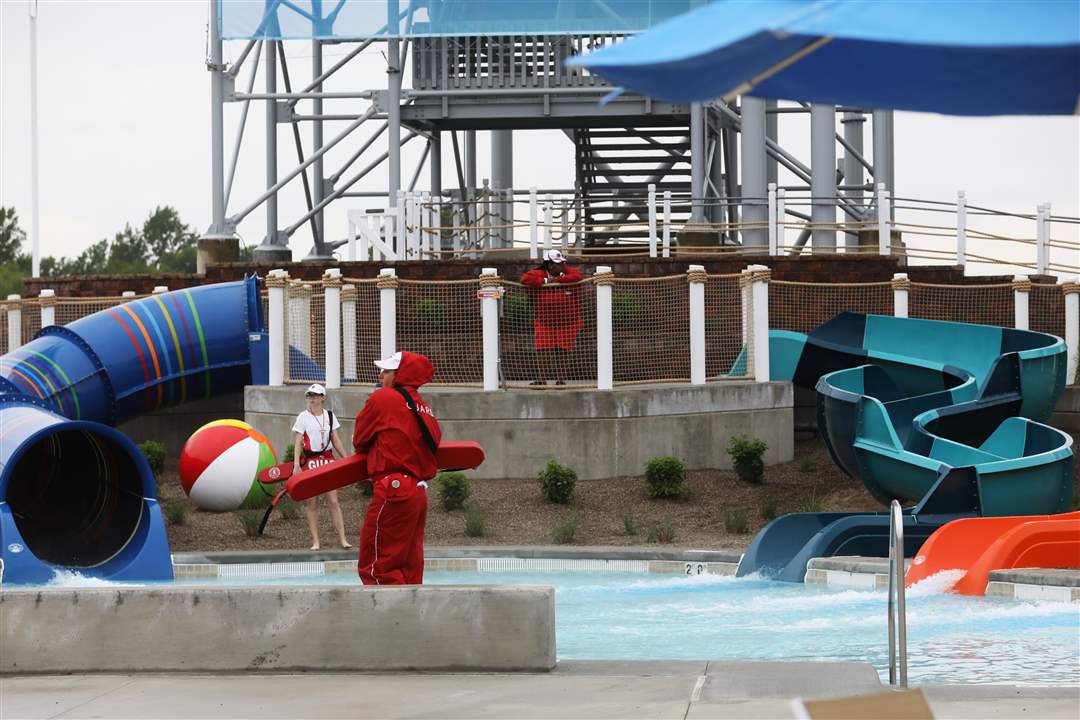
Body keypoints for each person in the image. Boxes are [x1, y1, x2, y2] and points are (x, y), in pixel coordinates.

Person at [352, 351, 442, 585]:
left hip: (393, 490)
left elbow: (359, 439)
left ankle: (385, 611)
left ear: (400, 375)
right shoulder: (424, 407)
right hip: (418, 492)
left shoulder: (383, 399)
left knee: (377, 568)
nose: (380, 375)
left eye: (386, 371)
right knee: (410, 569)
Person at [291, 383, 352, 551]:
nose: (312, 398)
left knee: (333, 501)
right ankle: (315, 541)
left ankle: (343, 539)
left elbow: (335, 439)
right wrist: (296, 465)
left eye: (315, 395)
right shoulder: (303, 417)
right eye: (310, 396)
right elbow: (298, 442)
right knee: (312, 502)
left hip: (328, 460)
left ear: (323, 398)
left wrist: (346, 459)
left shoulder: (330, 416)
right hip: (311, 461)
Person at [519, 249, 584, 385]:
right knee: (543, 350)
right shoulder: (539, 273)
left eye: (562, 263)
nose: (562, 266)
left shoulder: (567, 271)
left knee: (563, 350)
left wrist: (557, 280)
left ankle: (561, 380)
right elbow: (525, 279)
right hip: (544, 322)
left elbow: (578, 276)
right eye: (558, 264)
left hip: (569, 323)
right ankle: (542, 379)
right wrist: (545, 280)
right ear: (549, 265)